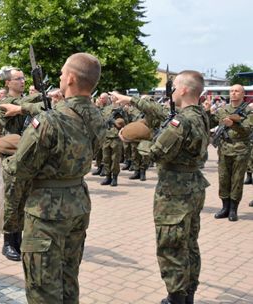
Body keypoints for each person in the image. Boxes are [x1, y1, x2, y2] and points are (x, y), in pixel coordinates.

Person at [3, 53, 105, 303]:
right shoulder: (98, 118)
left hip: (46, 211)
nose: (59, 77)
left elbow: (19, 170)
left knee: (43, 289)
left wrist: (2, 156)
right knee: (68, 279)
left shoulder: (50, 121)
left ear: (70, 78)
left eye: (61, 73)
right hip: (77, 204)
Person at [114, 70, 209, 304]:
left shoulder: (181, 121)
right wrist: (132, 101)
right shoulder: (201, 115)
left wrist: (133, 140)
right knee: (189, 244)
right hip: (194, 187)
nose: (172, 91)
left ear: (185, 89)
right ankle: (188, 294)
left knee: (171, 246)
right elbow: (163, 113)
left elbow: (157, 153)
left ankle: (176, 297)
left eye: (174, 87)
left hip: (175, 192)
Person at [0, 68, 44, 262]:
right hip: (10, 158)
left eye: (24, 78)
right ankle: (8, 242)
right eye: (18, 79)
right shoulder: (4, 102)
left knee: (23, 200)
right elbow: (20, 105)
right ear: (8, 83)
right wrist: (43, 97)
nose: (23, 81)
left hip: (26, 157)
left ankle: (19, 239)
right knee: (11, 200)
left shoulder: (26, 101)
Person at [208, 84, 253, 221]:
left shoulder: (248, 111)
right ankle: (225, 207)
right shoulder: (223, 110)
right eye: (231, 91)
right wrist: (207, 112)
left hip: (240, 150)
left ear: (242, 94)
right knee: (223, 179)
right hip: (224, 149)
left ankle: (233, 209)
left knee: (237, 180)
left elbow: (247, 129)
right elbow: (209, 123)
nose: (233, 93)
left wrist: (232, 124)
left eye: (237, 91)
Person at [100, 94, 128, 186]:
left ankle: (115, 177)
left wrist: (116, 122)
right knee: (106, 158)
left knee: (115, 158)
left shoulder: (122, 110)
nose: (112, 97)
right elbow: (101, 120)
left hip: (116, 136)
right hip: (106, 136)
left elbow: (126, 123)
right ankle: (108, 176)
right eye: (111, 96)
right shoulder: (106, 109)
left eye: (114, 95)